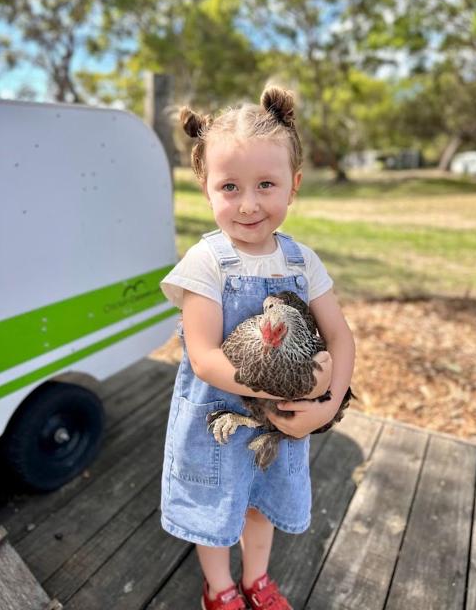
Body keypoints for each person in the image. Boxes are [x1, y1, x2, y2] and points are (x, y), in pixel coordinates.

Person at [160, 85, 355, 610]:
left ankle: (257, 580)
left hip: (283, 425)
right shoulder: (206, 264)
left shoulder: (302, 262)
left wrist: (328, 405)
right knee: (216, 511)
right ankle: (219, 588)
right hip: (215, 422)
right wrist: (295, 384)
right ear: (206, 188)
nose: (248, 204)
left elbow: (338, 336)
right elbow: (203, 358)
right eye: (230, 187)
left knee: (259, 506)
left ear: (292, 187)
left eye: (265, 184)